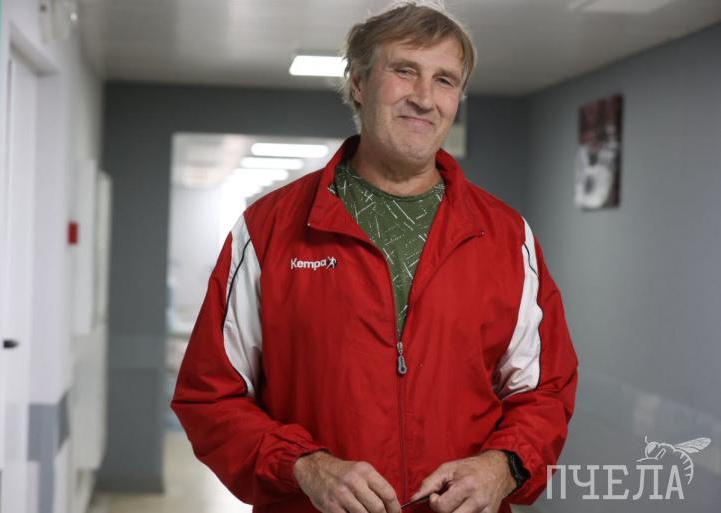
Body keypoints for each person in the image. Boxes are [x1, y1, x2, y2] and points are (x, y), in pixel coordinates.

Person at [171, 3, 578, 513]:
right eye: (404, 70)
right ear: (359, 83)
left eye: (445, 80)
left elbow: (545, 391)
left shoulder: (505, 237)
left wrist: (503, 465)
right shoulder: (269, 229)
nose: (424, 97)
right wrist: (304, 466)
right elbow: (209, 397)